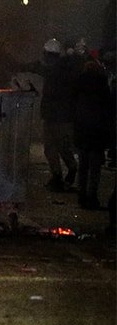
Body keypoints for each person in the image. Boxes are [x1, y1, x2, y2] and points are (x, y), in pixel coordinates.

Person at [35, 38, 79, 191]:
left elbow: (52, 93)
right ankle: (64, 172)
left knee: (54, 147)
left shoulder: (55, 71)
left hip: (56, 116)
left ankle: (60, 174)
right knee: (57, 147)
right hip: (61, 116)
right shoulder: (65, 69)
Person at [72, 56, 114, 210]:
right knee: (95, 168)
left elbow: (73, 106)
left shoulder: (79, 84)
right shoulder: (103, 86)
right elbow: (108, 110)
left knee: (83, 165)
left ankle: (81, 195)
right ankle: (92, 196)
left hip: (82, 130)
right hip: (97, 131)